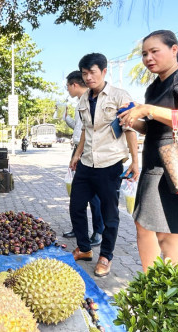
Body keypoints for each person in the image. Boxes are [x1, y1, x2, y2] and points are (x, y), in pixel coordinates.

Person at [119, 30, 178, 272]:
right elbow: (154, 129)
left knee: (170, 238)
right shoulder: (153, 88)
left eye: (154, 51)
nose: (148, 58)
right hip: (154, 166)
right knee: (144, 227)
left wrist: (148, 108)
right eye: (144, 54)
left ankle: (172, 298)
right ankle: (150, 287)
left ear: (174, 50)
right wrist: (132, 121)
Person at [70, 53, 139, 277]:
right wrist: (77, 155)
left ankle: (105, 256)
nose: (88, 77)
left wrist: (135, 161)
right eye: (84, 73)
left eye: (92, 72)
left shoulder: (120, 96)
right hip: (86, 163)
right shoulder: (83, 99)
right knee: (76, 207)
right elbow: (85, 131)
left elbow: (129, 130)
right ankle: (85, 248)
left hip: (110, 164)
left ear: (104, 72)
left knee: (110, 214)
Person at [63, 70, 103, 247]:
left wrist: (80, 153)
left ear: (74, 85)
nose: (68, 91)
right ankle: (79, 229)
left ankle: (98, 231)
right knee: (78, 196)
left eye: (68, 87)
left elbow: (89, 131)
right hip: (79, 151)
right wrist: (65, 118)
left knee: (93, 196)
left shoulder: (92, 100)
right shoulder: (81, 102)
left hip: (88, 153)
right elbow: (79, 128)